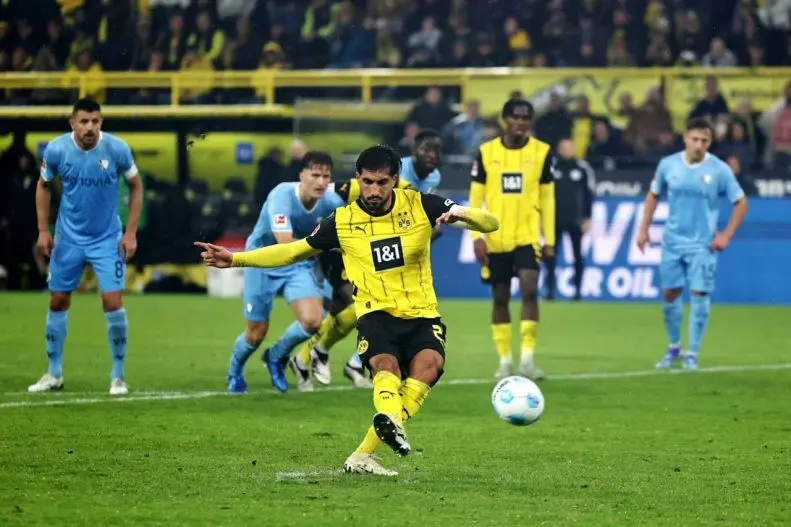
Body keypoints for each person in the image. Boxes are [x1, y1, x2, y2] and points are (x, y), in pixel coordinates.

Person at [196, 145, 499, 476]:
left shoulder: (422, 204)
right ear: (358, 178)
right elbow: (292, 251)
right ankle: (387, 422)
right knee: (386, 368)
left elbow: (491, 224)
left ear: (395, 179)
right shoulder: (342, 222)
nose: (374, 190)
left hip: (422, 313)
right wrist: (235, 258)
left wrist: (464, 214)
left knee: (430, 367)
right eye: (367, 182)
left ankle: (364, 453)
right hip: (375, 313)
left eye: (382, 182)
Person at [28, 98, 144, 395]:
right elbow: (43, 185)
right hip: (68, 238)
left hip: (107, 238)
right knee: (58, 301)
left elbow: (136, 185)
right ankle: (54, 373)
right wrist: (43, 230)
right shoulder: (56, 149)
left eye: (95, 121)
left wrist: (130, 232)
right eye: (84, 121)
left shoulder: (117, 148)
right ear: (73, 123)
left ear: (101, 122)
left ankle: (118, 376)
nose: (90, 127)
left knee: (112, 301)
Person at [225, 152, 345, 394]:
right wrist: (328, 246)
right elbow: (284, 242)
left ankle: (275, 356)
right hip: (262, 259)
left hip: (298, 262)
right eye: (315, 175)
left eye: (326, 176)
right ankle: (235, 373)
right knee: (256, 333)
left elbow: (350, 233)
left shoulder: (332, 203)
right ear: (301, 175)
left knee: (312, 322)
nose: (321, 182)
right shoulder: (282, 195)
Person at [637, 118, 748, 370]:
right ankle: (674, 346)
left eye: (704, 141)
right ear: (685, 138)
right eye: (695, 139)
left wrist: (726, 235)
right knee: (670, 293)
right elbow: (653, 194)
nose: (699, 145)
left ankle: (693, 352)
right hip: (672, 242)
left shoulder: (719, 169)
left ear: (710, 142)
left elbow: (741, 203)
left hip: (702, 245)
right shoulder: (668, 164)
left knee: (699, 294)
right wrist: (643, 229)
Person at [469, 98, 556, 381]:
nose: (520, 122)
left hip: (527, 236)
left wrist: (549, 239)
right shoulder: (486, 153)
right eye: (515, 117)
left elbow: (548, 198)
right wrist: (476, 235)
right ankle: (505, 360)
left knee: (530, 289)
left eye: (525, 118)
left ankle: (528, 359)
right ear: (505, 119)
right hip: (496, 238)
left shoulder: (542, 152)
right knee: (500, 297)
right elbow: (475, 198)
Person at [544, 138, 595, 301]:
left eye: (569, 147)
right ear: (559, 149)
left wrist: (587, 217)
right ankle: (549, 290)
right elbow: (542, 194)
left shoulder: (582, 168)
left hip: (575, 220)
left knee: (577, 255)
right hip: (554, 220)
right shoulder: (550, 168)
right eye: (564, 147)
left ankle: (578, 291)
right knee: (550, 255)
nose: (567, 150)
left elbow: (589, 195)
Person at [399, 129, 443, 193]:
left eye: (437, 151)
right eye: (426, 150)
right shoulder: (398, 170)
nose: (432, 155)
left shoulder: (435, 177)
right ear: (414, 150)